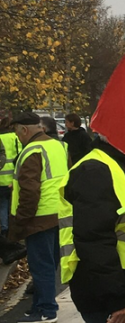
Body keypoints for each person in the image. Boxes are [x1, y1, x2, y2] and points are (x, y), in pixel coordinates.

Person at [60, 135, 125, 323]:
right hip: (104, 299)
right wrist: (116, 300)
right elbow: (94, 240)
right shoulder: (95, 171)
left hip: (114, 293)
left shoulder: (116, 166)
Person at [10, 112, 69, 323]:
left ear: (24, 130)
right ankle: (39, 307)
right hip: (59, 214)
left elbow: (29, 192)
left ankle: (46, 310)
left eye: (17, 132)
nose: (17, 137)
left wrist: (20, 221)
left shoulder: (32, 151)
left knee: (40, 265)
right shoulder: (60, 146)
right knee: (49, 263)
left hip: (39, 217)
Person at [0, 117, 20, 237]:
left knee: (2, 204)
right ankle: (9, 229)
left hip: (1, 177)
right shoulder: (15, 138)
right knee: (11, 204)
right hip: (13, 177)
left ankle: (4, 227)